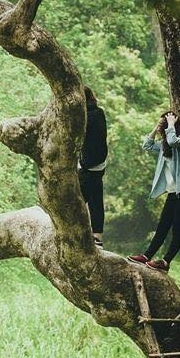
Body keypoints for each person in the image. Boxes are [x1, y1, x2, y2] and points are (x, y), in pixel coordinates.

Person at [127, 111, 180, 272]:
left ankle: (165, 262)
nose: (161, 129)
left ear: (171, 126)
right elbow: (147, 145)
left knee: (177, 228)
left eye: (162, 125)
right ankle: (147, 256)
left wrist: (171, 123)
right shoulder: (164, 147)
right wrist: (155, 127)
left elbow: (173, 140)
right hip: (174, 192)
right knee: (162, 225)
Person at [78, 86, 108, 248]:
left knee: (76, 201)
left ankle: (82, 235)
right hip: (98, 165)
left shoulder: (87, 117)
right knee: (96, 201)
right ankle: (97, 237)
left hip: (91, 166)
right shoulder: (98, 113)